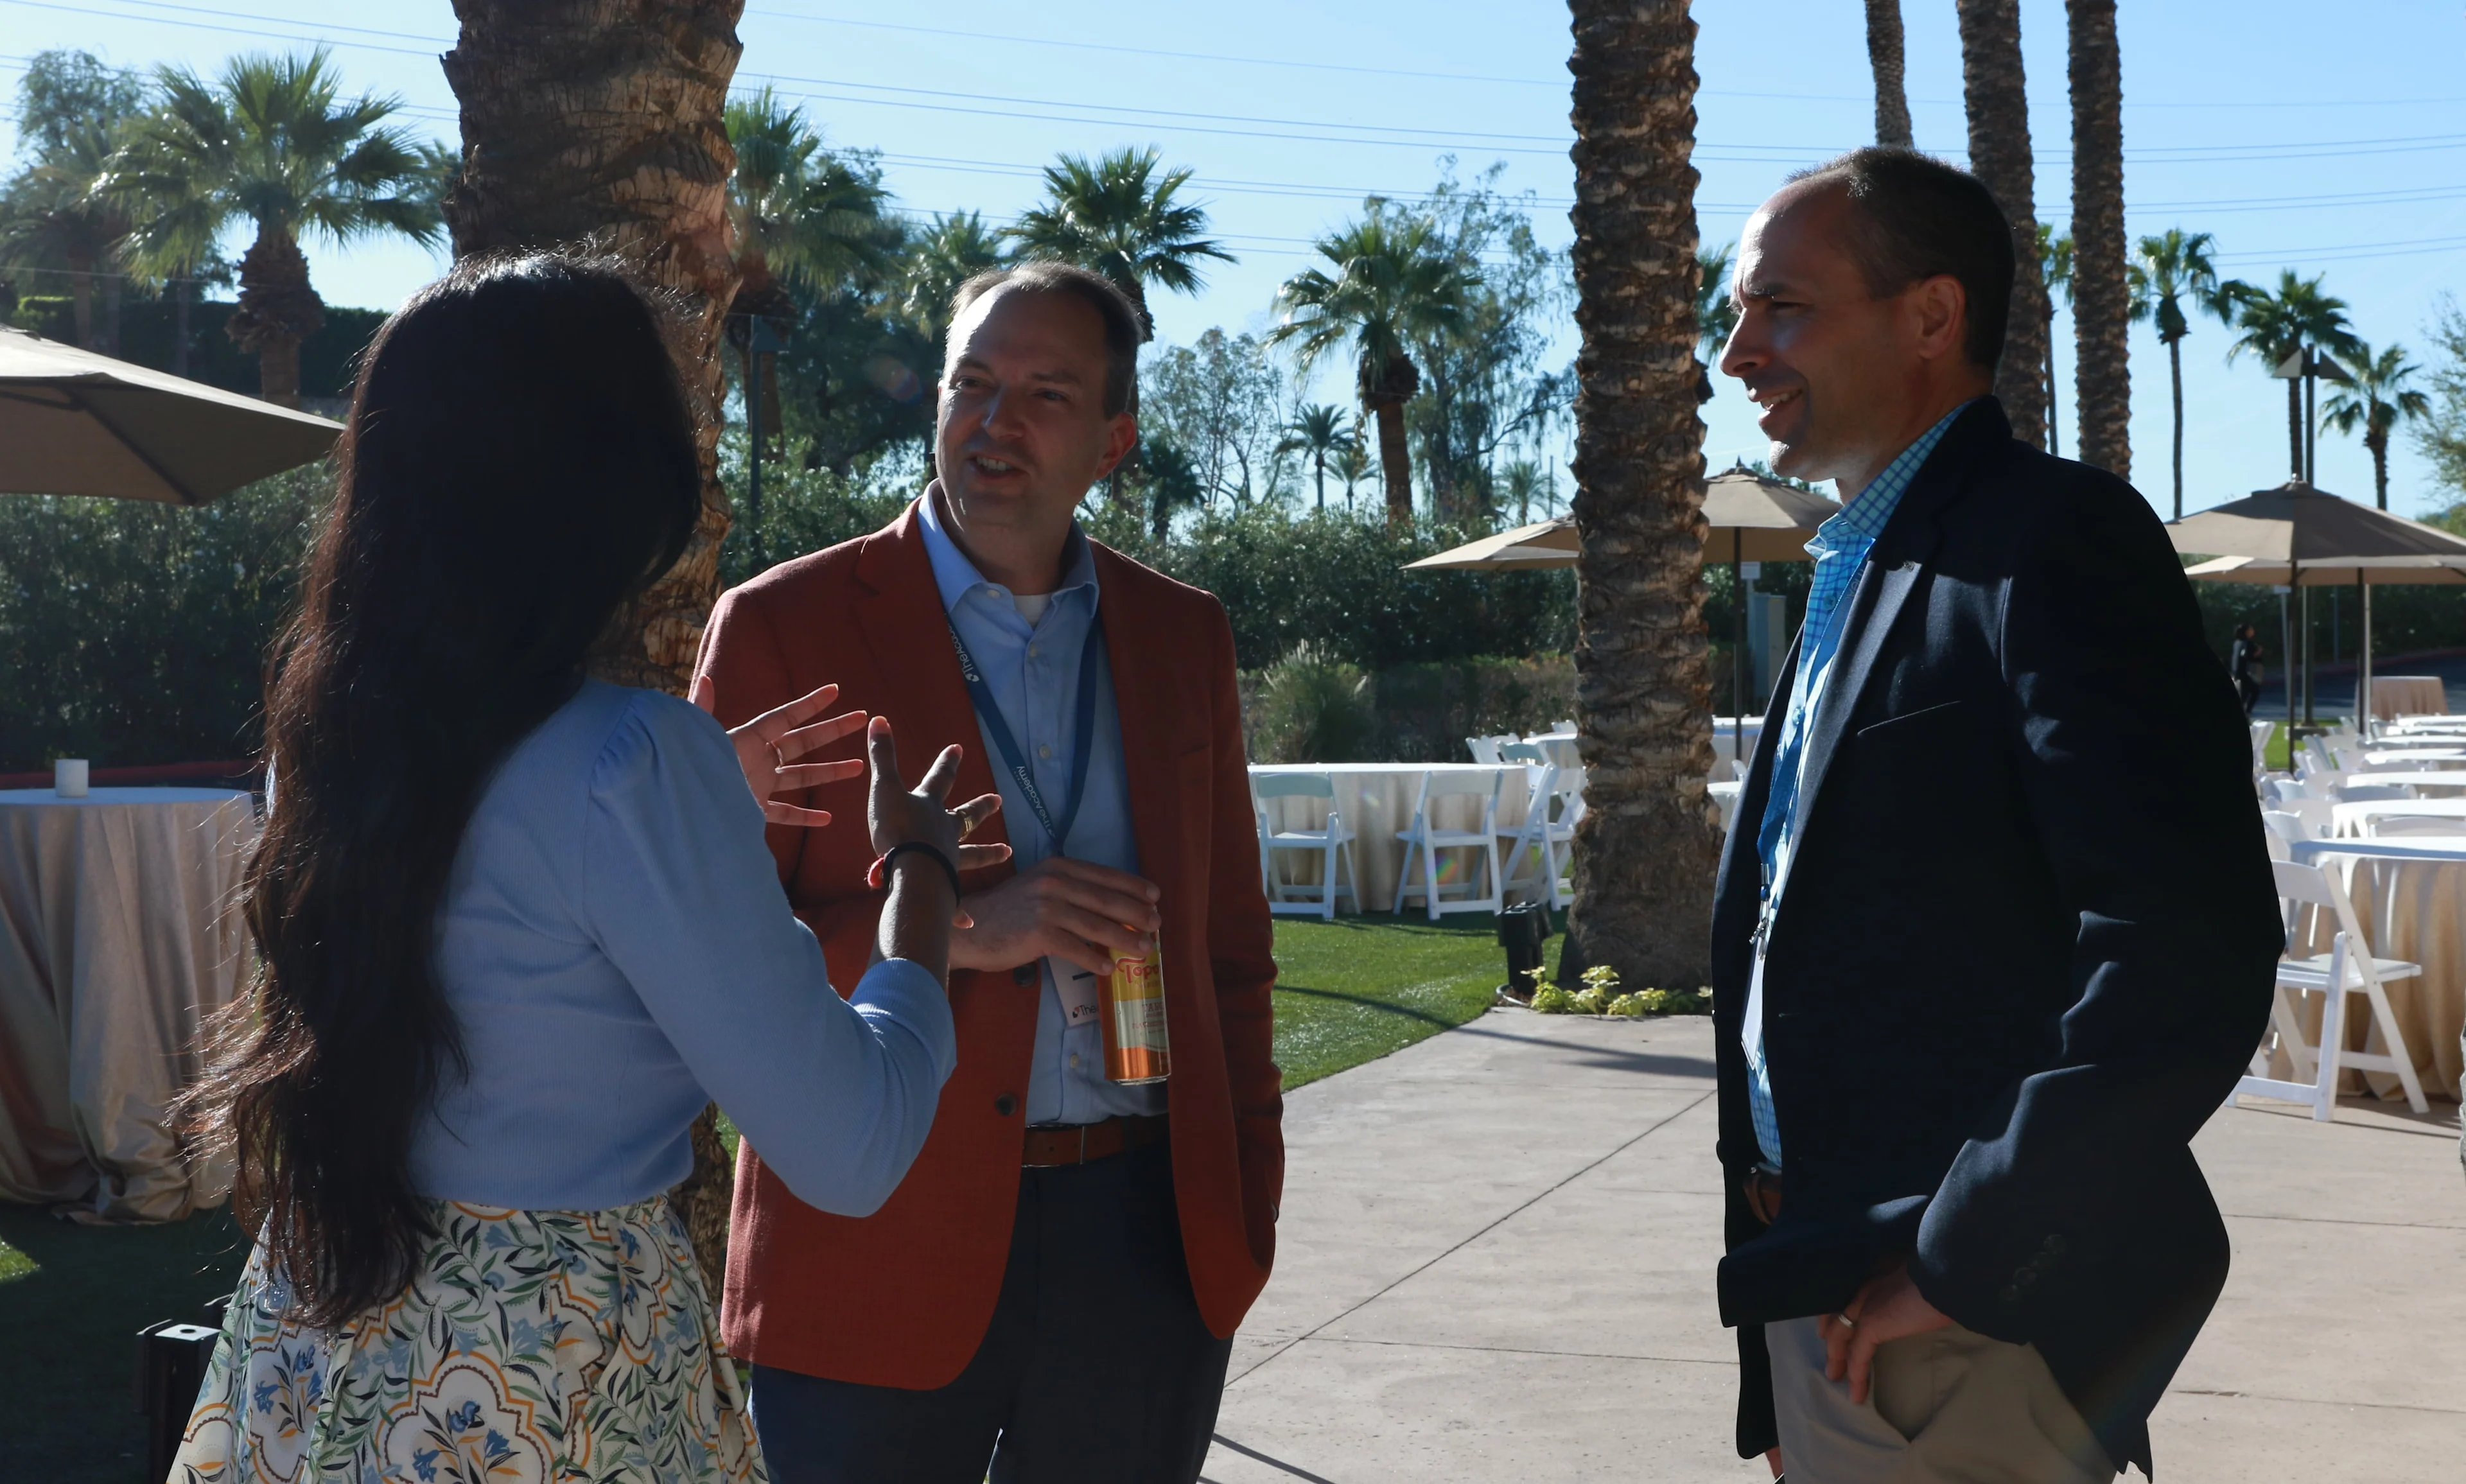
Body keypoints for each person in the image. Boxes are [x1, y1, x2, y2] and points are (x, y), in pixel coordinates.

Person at [171, 253, 1005, 1484]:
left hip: (323, 1350)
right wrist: (920, 881)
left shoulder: (338, 741)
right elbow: (850, 1141)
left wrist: (691, 796)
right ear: (611, 485)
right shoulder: (628, 764)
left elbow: (500, 891)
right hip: (552, 1368)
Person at [1709, 149, 2280, 1483]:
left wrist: (1970, 1261)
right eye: (1736, 312)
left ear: (1929, 316)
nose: (1737, 353)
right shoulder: (1860, 566)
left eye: (1781, 307)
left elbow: (2183, 951)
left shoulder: (2051, 545)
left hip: (1958, 1319)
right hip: (1834, 1290)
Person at [695, 261, 1281, 1484]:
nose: (995, 421)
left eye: (1045, 393)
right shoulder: (783, 628)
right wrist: (959, 929)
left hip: (1142, 1246)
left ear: (1114, 439)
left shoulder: (1185, 636)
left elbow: (1231, 951)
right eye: (971, 383)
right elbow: (705, 955)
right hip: (873, 1232)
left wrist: (1242, 1208)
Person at [2230, 621, 2265, 717]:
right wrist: (2259, 652)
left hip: (2237, 673)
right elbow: (2248, 656)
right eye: (2251, 629)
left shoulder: (2237, 643)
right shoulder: (2248, 643)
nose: (2253, 631)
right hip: (2244, 673)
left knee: (2245, 695)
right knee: (2253, 692)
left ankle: (2246, 714)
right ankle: (2246, 713)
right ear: (2247, 632)